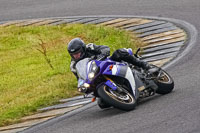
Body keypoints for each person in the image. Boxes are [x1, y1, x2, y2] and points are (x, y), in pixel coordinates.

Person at [67, 38, 152, 108]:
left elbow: (105, 48)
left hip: (107, 64)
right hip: (95, 77)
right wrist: (82, 85)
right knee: (102, 104)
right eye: (73, 54)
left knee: (119, 53)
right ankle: (119, 95)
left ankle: (144, 65)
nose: (76, 56)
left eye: (78, 53)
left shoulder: (90, 47)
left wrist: (102, 54)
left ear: (83, 49)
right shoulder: (73, 65)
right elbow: (80, 77)